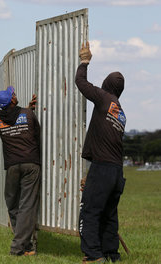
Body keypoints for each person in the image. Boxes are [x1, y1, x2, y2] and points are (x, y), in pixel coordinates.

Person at [75, 42, 126, 264]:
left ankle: (93, 255)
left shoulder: (104, 98)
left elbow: (81, 83)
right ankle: (111, 254)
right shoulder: (120, 112)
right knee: (109, 215)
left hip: (103, 167)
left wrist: (84, 62)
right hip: (116, 171)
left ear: (106, 84)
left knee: (90, 211)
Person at [0, 86, 40, 256]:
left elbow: (13, 119)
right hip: (31, 165)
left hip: (12, 166)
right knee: (27, 205)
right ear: (12, 100)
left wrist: (27, 109)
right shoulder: (28, 114)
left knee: (12, 204)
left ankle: (25, 246)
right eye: (13, 95)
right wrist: (30, 110)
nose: (15, 95)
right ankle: (19, 247)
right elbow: (36, 133)